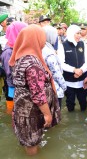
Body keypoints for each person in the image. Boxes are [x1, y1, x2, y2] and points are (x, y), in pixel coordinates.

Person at [9, 24, 61, 155]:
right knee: (32, 142)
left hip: (23, 107)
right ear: (35, 39)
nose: (44, 42)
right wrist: (47, 114)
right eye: (42, 38)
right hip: (30, 111)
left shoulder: (21, 57)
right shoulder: (32, 63)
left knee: (27, 139)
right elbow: (38, 93)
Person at [59, 24, 87, 112]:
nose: (79, 35)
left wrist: (81, 70)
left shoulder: (82, 44)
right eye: (77, 33)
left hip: (82, 79)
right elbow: (61, 63)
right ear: (71, 33)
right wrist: (74, 70)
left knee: (83, 101)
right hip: (68, 80)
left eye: (80, 33)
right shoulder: (63, 45)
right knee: (70, 102)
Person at [0, 21, 27, 114]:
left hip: (18, 87)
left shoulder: (17, 48)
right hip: (13, 88)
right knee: (14, 112)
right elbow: (10, 74)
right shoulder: (8, 52)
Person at [42, 25, 66, 108]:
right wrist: (64, 86)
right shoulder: (49, 52)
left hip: (43, 89)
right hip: (53, 89)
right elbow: (56, 73)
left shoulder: (42, 48)